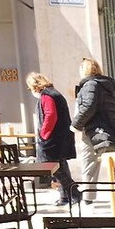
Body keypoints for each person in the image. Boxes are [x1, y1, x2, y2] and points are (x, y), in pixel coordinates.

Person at [70, 58, 115, 204]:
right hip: (110, 131)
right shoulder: (105, 86)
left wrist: (75, 125)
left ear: (84, 70)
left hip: (95, 132)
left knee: (89, 167)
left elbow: (88, 106)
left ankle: (88, 201)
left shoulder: (89, 84)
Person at [26, 72, 77, 206]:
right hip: (60, 138)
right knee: (61, 167)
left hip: (52, 140)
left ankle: (75, 193)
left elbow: (50, 115)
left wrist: (43, 134)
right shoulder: (54, 93)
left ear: (35, 86)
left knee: (55, 168)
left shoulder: (47, 95)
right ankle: (65, 196)